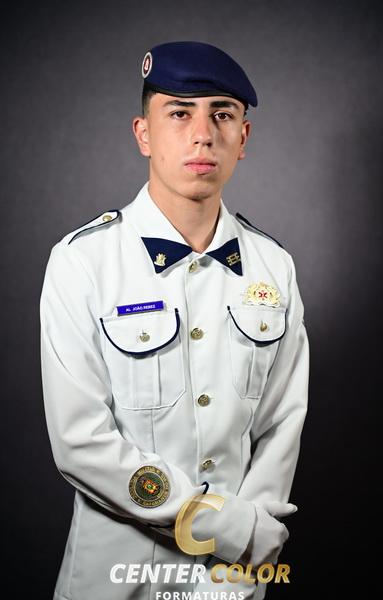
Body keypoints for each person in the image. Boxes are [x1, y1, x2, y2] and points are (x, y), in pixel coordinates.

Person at [40, 41, 309, 600]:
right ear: (144, 133)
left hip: (231, 582)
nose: (203, 134)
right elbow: (81, 443)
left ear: (243, 138)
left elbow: (282, 423)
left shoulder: (273, 267)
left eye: (222, 115)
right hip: (113, 582)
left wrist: (245, 555)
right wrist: (224, 527)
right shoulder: (83, 261)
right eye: (180, 113)